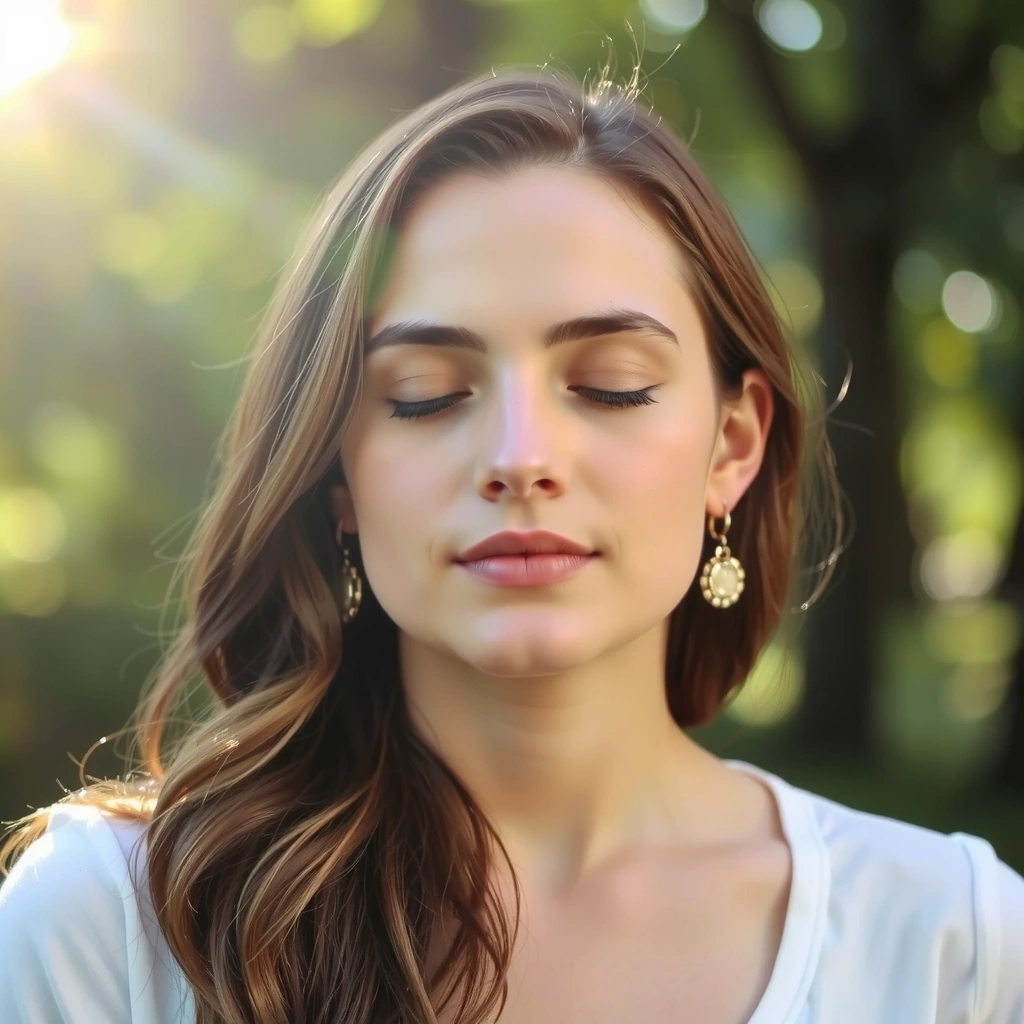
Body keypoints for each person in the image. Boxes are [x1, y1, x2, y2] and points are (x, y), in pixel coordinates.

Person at [0, 63, 1021, 1024]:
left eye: (610, 383)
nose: (520, 456)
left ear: (732, 443)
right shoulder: (120, 923)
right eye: (426, 395)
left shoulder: (956, 945)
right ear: (335, 476)